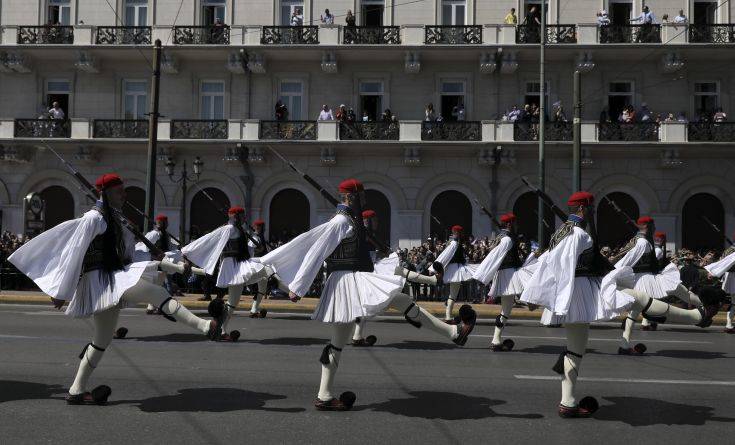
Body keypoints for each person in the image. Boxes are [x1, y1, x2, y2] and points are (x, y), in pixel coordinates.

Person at [258, 179, 477, 411]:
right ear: (351, 197)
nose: (365, 200)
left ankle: (324, 396)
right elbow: (315, 251)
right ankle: (454, 333)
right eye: (361, 196)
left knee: (346, 337)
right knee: (385, 309)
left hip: (352, 279)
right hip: (346, 282)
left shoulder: (351, 220)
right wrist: (298, 287)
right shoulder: (341, 221)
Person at [8, 173, 221, 405]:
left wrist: (158, 256)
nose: (124, 195)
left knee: (102, 340)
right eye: (119, 191)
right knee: (155, 293)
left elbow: (130, 254)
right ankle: (204, 325)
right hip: (100, 280)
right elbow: (74, 253)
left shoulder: (117, 219)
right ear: (105, 193)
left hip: (114, 276)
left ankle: (76, 390)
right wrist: (61, 291)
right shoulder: (93, 219)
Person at [521, 191, 724, 418]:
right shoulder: (577, 234)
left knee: (575, 350)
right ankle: (698, 317)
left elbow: (549, 262)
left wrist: (537, 294)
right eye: (592, 209)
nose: (593, 213)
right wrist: (542, 293)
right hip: (581, 290)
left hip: (575, 293)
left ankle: (567, 403)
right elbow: (560, 264)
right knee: (636, 298)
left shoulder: (561, 232)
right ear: (582, 209)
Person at [182, 207, 283, 341]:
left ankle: (220, 330)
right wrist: (187, 252)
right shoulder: (229, 229)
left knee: (232, 302)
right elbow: (209, 238)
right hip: (233, 266)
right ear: (235, 217)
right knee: (266, 270)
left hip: (240, 263)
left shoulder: (238, 229)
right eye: (241, 216)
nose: (244, 218)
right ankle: (220, 330)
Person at [613, 217, 701, 354]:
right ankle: (703, 309)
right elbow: (625, 260)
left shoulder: (639, 240)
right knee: (680, 291)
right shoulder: (642, 242)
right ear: (648, 226)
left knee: (633, 313)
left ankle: (624, 345)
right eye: (653, 227)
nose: (655, 230)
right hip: (647, 278)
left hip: (640, 279)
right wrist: (610, 274)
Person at [472, 213, 529, 351]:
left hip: (507, 273)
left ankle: (496, 340)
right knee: (506, 311)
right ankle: (495, 341)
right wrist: (482, 276)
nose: (517, 226)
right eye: (515, 223)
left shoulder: (501, 237)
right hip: (509, 274)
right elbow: (493, 257)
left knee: (506, 309)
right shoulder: (506, 239)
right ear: (509, 224)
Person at [432, 225, 478, 322]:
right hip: (455, 268)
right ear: (457, 233)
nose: (462, 234)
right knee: (452, 295)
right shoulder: (454, 243)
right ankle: (448, 315)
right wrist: (436, 267)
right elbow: (445, 255)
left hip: (457, 267)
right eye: (460, 232)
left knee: (452, 295)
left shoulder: (457, 242)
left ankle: (448, 314)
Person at [705, 239, 735, 333]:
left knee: (733, 303)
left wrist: (713, 272)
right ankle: (728, 325)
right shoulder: (731, 251)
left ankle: (729, 325)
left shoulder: (728, 250)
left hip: (729, 277)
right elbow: (723, 263)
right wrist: (713, 272)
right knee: (733, 303)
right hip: (732, 277)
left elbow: (721, 261)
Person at [248, 219, 271, 318]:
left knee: (262, 289)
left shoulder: (261, 237)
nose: (262, 229)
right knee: (261, 288)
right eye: (260, 227)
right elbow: (250, 252)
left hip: (262, 265)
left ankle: (254, 310)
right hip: (256, 265)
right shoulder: (254, 238)